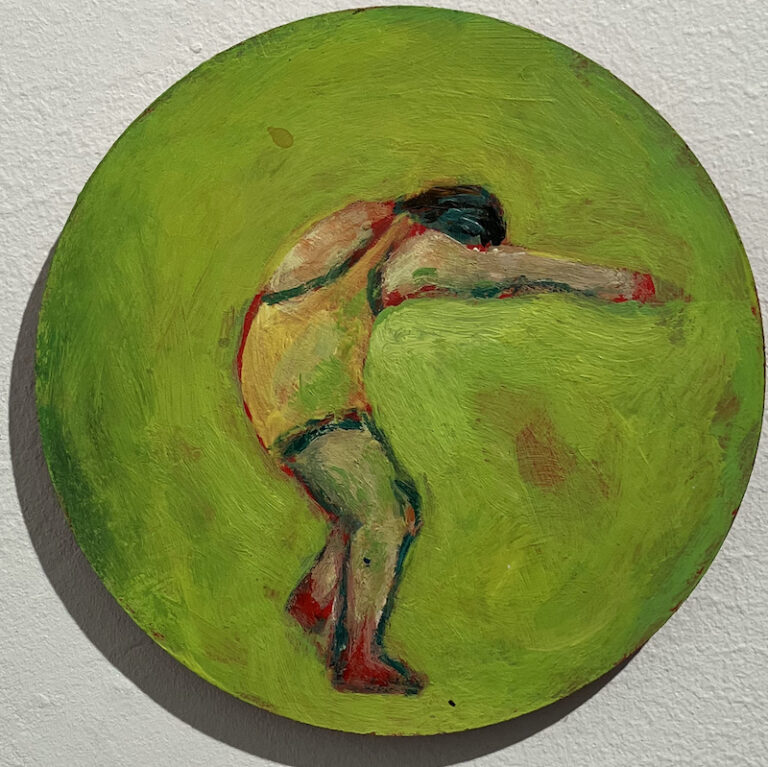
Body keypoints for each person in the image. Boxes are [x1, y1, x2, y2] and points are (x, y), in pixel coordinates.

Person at [237, 185, 672, 694]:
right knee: (384, 517)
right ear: (463, 232)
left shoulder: (364, 222)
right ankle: (356, 658)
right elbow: (502, 271)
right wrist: (617, 283)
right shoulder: (411, 244)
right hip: (306, 404)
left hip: (290, 388)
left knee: (380, 500)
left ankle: (316, 599)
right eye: (474, 246)